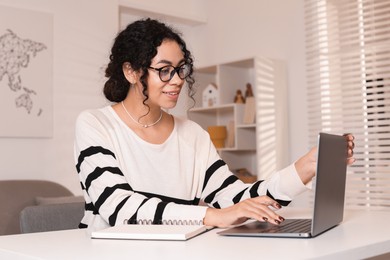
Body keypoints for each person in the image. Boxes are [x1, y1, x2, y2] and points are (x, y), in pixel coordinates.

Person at [74, 18, 355, 231]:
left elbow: (234, 199)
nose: (177, 80)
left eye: (181, 68)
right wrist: (211, 216)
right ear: (131, 71)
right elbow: (118, 207)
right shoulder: (95, 124)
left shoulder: (192, 134)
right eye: (164, 70)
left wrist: (306, 167)